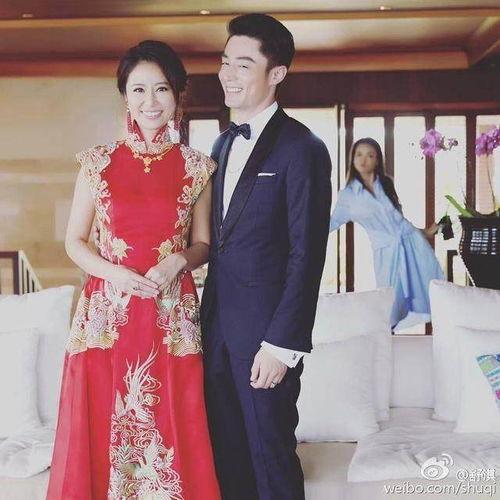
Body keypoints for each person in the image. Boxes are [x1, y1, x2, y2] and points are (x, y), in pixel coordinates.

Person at [47, 40, 220, 499]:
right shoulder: (96, 163)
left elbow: (204, 244)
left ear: (177, 94)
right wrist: (114, 273)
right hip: (107, 317)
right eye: (139, 89)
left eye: (161, 89)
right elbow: (74, 241)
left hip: (170, 316)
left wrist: (179, 260)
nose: (150, 101)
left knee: (173, 420)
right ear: (125, 95)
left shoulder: (197, 167)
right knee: (100, 423)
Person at [200, 13, 332, 500]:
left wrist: (282, 345)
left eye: (243, 64)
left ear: (276, 73)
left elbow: (307, 254)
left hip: (266, 341)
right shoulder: (220, 143)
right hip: (216, 332)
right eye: (224, 62)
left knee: (270, 460)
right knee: (227, 460)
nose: (228, 74)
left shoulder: (303, 148)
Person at [330, 137, 444, 329]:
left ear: (377, 160)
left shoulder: (386, 184)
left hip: (413, 244)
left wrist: (425, 232)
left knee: (428, 289)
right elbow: (331, 222)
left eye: (370, 155)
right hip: (385, 251)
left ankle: (439, 331)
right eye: (359, 154)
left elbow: (399, 221)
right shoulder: (348, 196)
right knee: (389, 301)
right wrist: (299, 231)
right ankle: (384, 338)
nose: (363, 160)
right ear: (352, 159)